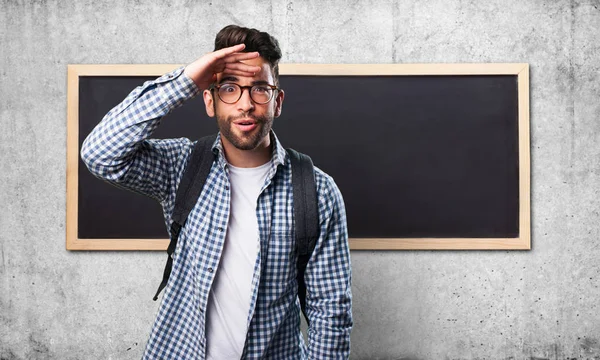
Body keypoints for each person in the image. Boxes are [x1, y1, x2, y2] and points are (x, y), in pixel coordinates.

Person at [81, 25, 353, 359]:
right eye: (229, 89)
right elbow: (100, 153)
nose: (245, 105)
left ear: (277, 102)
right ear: (209, 101)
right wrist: (187, 82)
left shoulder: (317, 191)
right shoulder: (181, 167)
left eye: (259, 89)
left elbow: (330, 311)